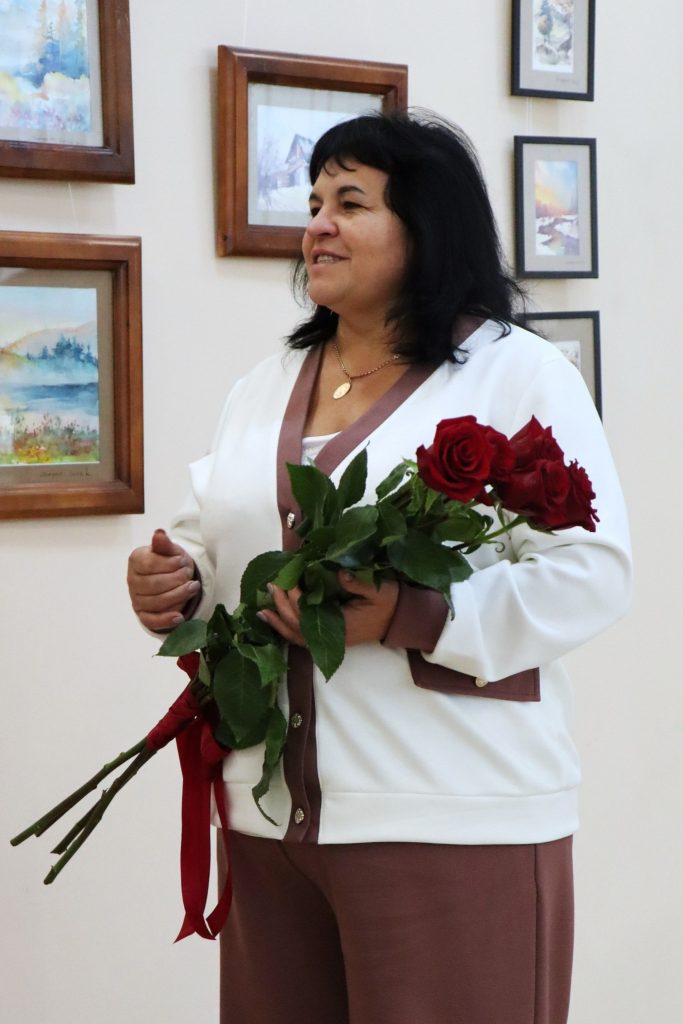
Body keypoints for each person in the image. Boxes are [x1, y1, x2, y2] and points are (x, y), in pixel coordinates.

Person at [127, 111, 631, 1024]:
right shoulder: (262, 386)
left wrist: (413, 614)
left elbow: (588, 572)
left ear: (426, 227)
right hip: (268, 820)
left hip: (447, 814)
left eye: (349, 202)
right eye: (312, 202)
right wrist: (180, 581)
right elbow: (214, 537)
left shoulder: (516, 374)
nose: (316, 225)